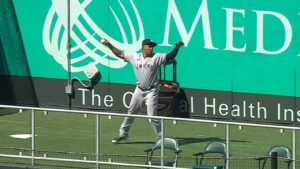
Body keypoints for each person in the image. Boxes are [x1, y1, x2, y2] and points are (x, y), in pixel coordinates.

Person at [101, 38, 184, 144]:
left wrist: (176, 48)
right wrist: (109, 44)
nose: (151, 48)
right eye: (149, 46)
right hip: (139, 90)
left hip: (152, 91)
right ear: (143, 47)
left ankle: (161, 138)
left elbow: (170, 56)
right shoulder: (134, 57)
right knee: (131, 112)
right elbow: (120, 54)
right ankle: (123, 134)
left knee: (152, 116)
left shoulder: (156, 57)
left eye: (152, 46)